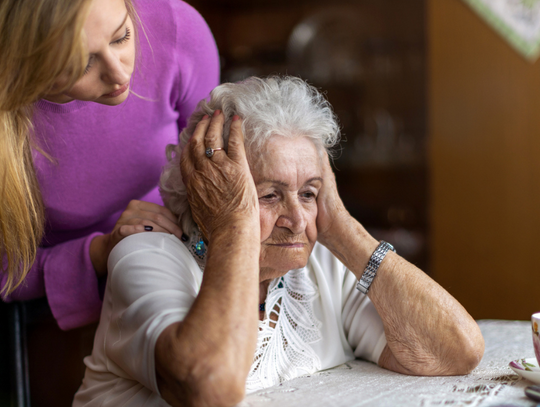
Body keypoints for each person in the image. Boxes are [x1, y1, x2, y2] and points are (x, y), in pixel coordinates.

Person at [72, 76, 485, 407]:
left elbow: (456, 352)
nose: (298, 220)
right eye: (268, 195)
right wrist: (234, 225)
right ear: (207, 194)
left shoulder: (320, 264)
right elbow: (208, 389)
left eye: (309, 193)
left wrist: (343, 227)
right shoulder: (148, 256)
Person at [0, 0, 219, 330]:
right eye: (80, 64)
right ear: (22, 66)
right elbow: (6, 271)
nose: (119, 74)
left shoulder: (175, 28)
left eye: (121, 37)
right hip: (57, 303)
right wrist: (101, 252)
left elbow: (212, 165)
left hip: (186, 249)